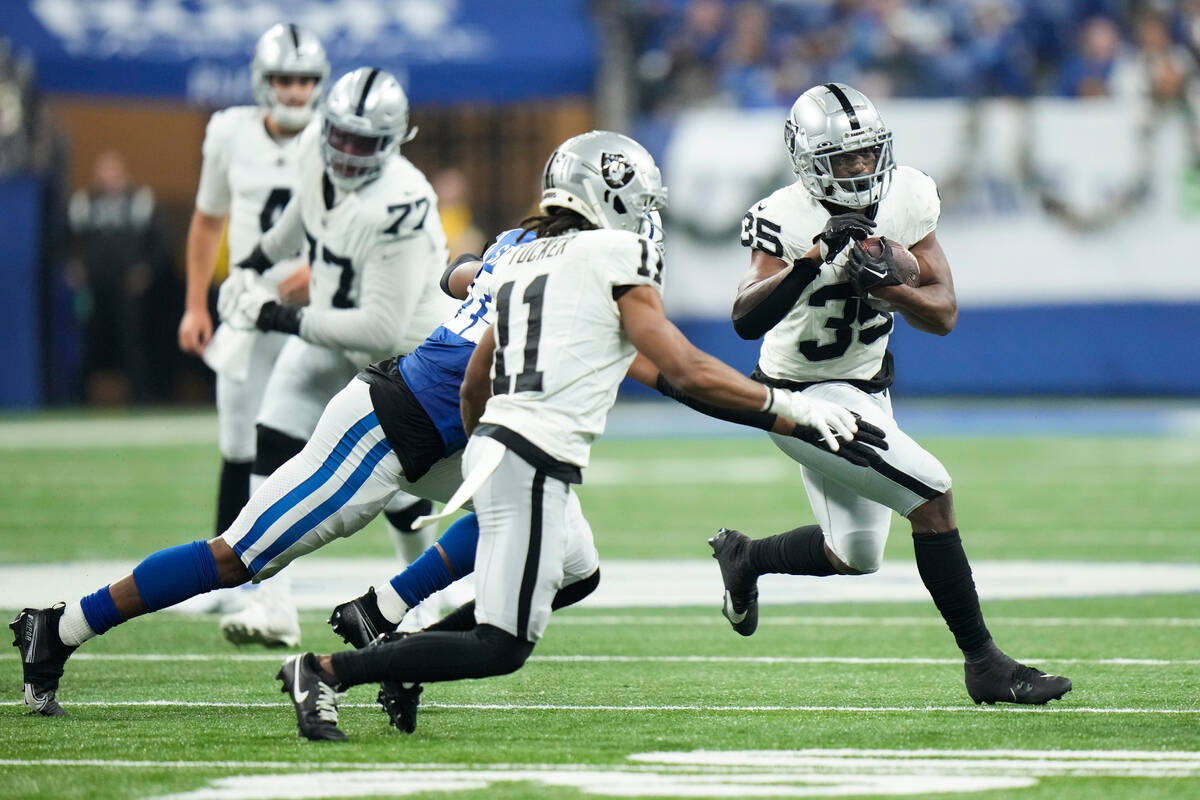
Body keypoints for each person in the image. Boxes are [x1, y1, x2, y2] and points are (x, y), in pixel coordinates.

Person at [270, 130, 879, 742]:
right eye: (640, 203)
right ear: (606, 197)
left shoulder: (527, 255)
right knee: (502, 645)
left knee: (576, 573)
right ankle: (326, 671)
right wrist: (787, 406)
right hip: (531, 452)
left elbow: (481, 359)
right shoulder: (612, 257)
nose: (646, 219)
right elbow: (684, 371)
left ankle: (394, 653)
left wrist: (482, 433)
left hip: (505, 443)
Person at [711, 82, 1072, 706]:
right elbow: (744, 317)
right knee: (932, 496)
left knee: (854, 554)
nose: (859, 168)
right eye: (842, 159)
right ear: (806, 162)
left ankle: (746, 558)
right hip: (801, 397)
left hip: (867, 388)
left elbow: (943, 312)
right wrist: (814, 260)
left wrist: (890, 287)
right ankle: (984, 663)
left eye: (866, 154)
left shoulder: (906, 193)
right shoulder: (783, 216)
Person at [210, 65, 459, 646]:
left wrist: (276, 314)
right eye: (339, 136)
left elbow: (379, 327)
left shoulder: (404, 200)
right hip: (333, 336)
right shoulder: (314, 158)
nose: (345, 153)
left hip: (408, 358)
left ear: (394, 142)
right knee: (271, 433)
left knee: (406, 488)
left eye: (362, 143)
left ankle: (424, 597)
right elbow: (303, 217)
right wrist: (250, 265)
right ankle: (272, 604)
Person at [178, 22, 328, 538]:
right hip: (251, 304)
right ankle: (225, 568)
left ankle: (419, 574)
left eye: (306, 79)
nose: (295, 90)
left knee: (377, 431)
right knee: (239, 437)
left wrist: (324, 267)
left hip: (325, 309)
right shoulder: (230, 133)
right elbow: (207, 218)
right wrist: (195, 304)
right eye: (285, 79)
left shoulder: (337, 135)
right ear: (264, 81)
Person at [67, 150, 171, 403]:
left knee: (131, 341)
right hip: (94, 285)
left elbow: (161, 242)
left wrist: (145, 270)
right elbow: (64, 240)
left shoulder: (139, 201)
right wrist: (74, 266)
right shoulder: (85, 202)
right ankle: (81, 398)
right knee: (91, 342)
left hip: (127, 286)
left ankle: (141, 395)